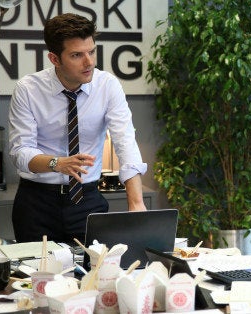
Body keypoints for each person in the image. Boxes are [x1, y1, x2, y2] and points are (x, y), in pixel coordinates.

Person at [8, 13, 147, 244]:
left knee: (96, 273)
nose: (89, 62)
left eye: (91, 51)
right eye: (76, 55)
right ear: (54, 58)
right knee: (36, 276)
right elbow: (20, 152)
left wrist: (136, 203)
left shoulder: (108, 85)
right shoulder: (28, 89)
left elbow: (126, 143)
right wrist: (58, 163)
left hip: (87, 199)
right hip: (36, 203)